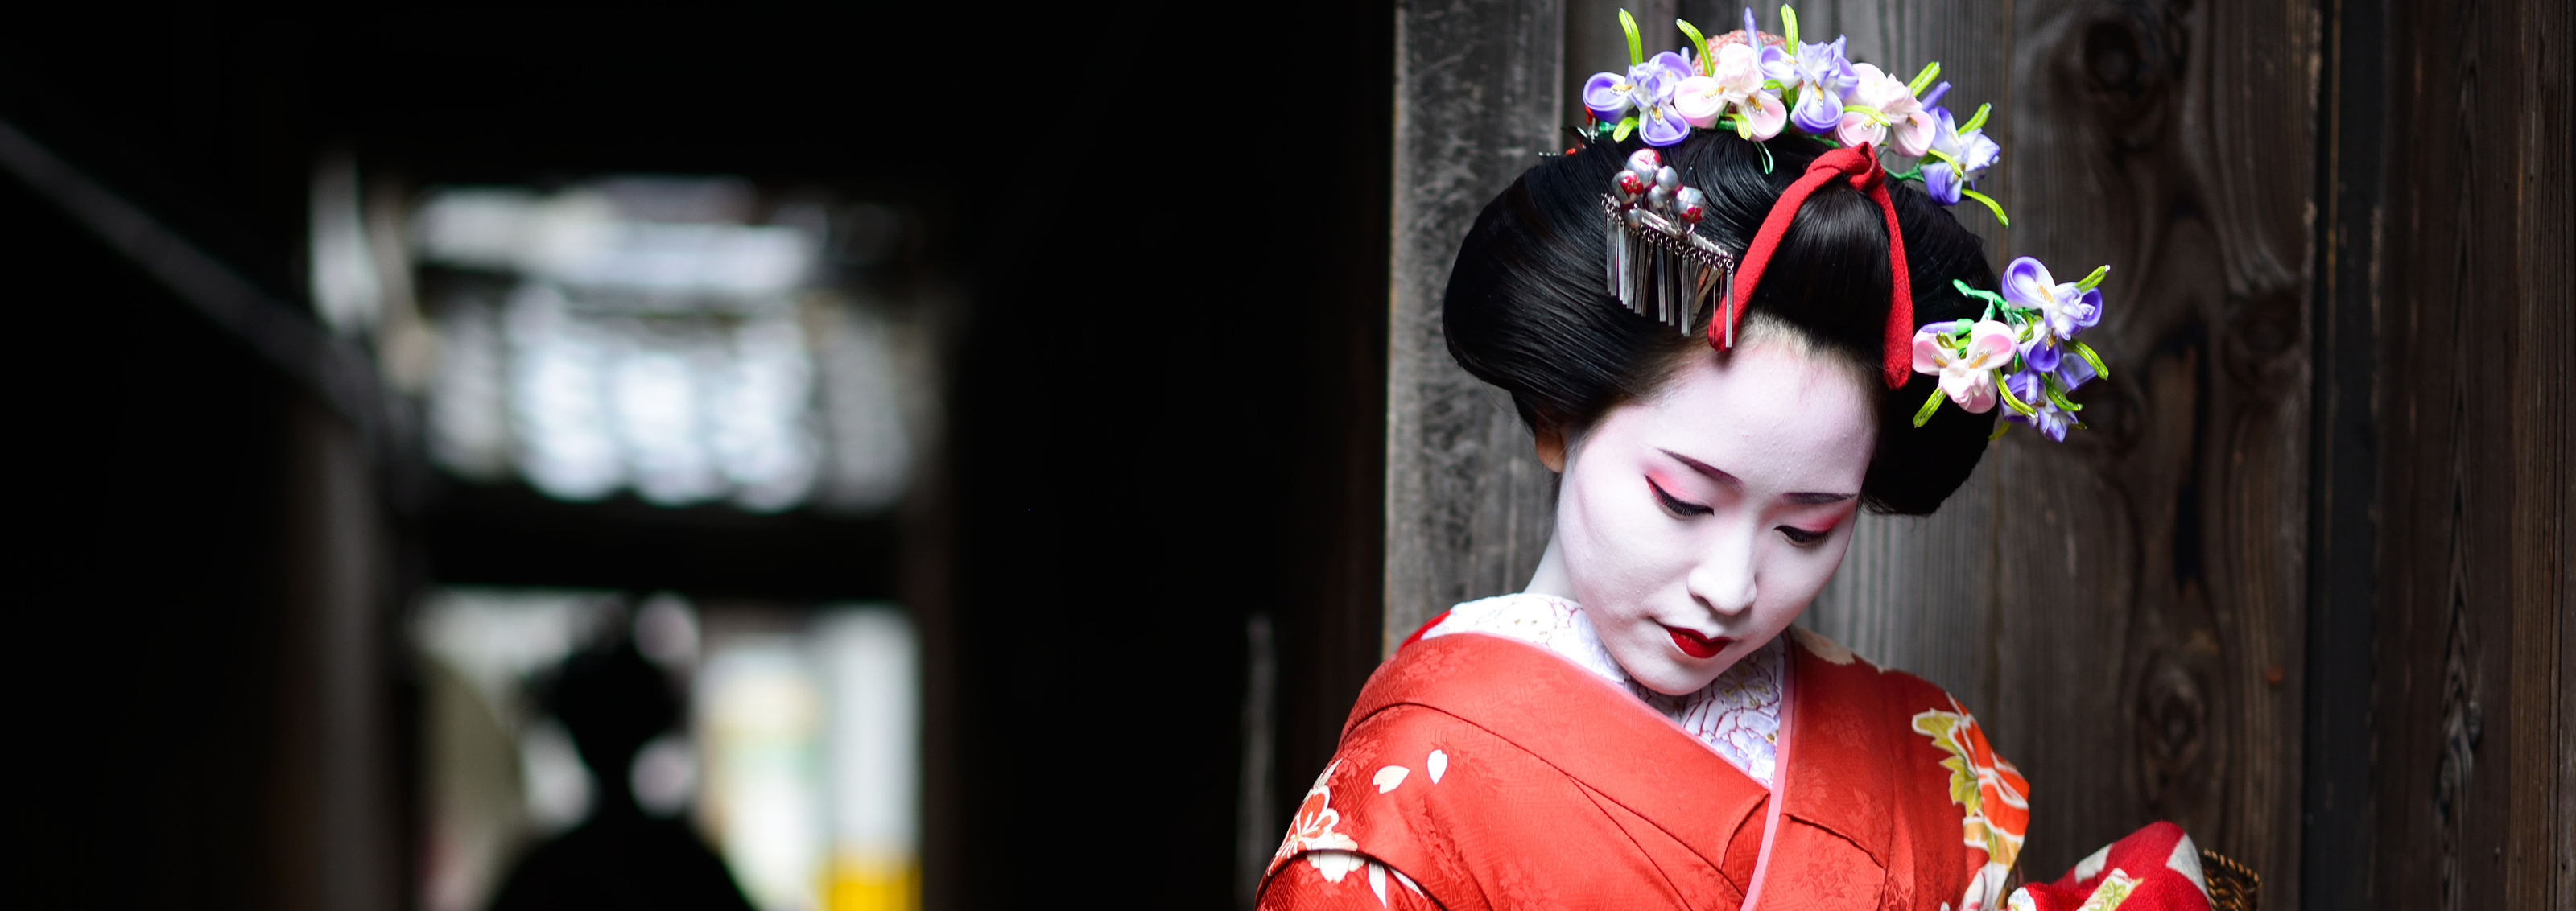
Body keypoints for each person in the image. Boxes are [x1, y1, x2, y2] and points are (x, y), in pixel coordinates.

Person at [1261, 9, 2235, 911]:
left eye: (1807, 525)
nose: (1731, 586)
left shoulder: (1903, 754)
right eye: (1682, 499)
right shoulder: (1404, 798)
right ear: (1557, 415)